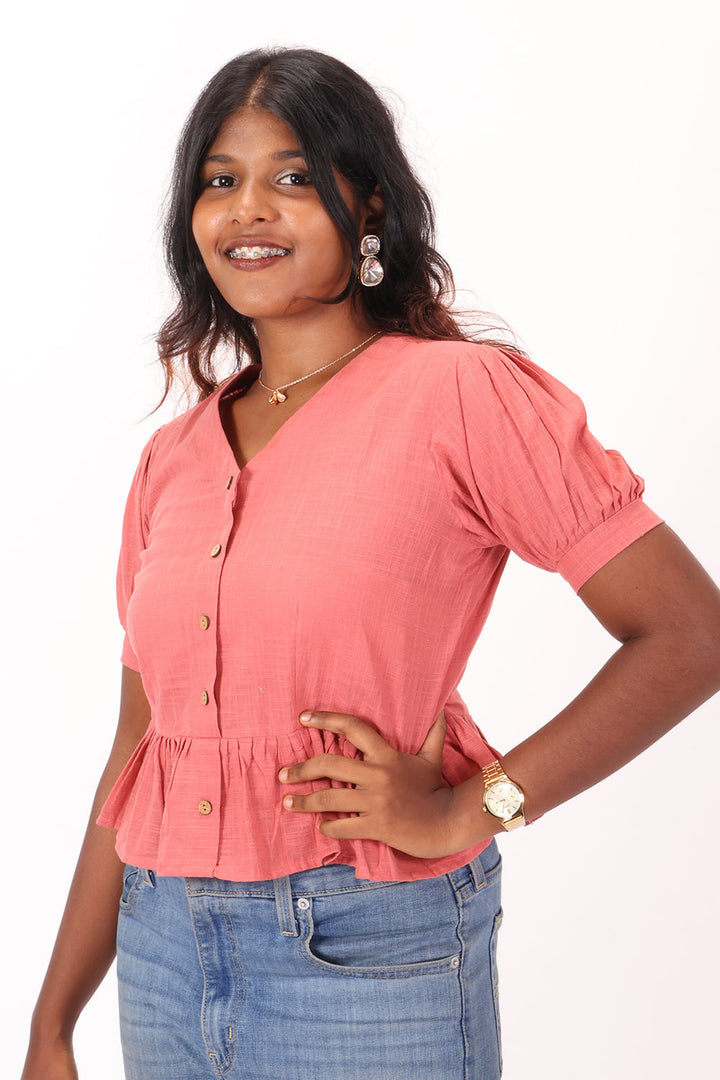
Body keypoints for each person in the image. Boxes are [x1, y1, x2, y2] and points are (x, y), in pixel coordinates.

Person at [21, 46, 720, 1080]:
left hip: (364, 948)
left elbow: (690, 633)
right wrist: (52, 1020)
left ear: (371, 208)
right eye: (220, 180)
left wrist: (472, 805)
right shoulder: (173, 456)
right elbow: (140, 745)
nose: (248, 209)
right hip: (159, 951)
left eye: (294, 177)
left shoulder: (461, 395)